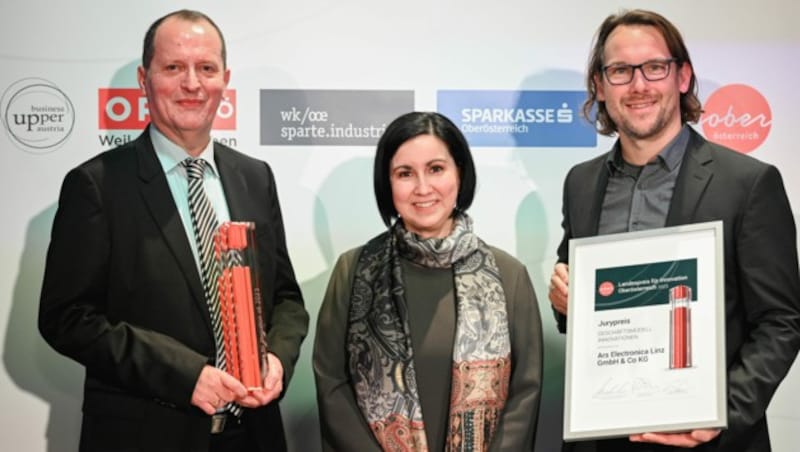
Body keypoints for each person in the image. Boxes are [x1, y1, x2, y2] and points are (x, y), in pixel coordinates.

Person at [38, 10, 309, 452]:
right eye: (173, 68)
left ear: (225, 79)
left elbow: (285, 298)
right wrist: (185, 375)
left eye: (206, 68)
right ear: (145, 79)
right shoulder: (97, 185)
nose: (192, 84)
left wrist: (276, 357)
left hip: (254, 435)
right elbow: (66, 318)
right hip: (146, 434)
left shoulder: (255, 177)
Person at [548, 9, 800, 452]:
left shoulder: (747, 182)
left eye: (655, 68)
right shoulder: (581, 183)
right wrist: (566, 300)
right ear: (600, 86)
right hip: (602, 436)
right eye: (621, 71)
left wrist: (721, 415)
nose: (639, 85)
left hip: (708, 441)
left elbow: (781, 322)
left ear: (682, 77)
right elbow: (586, 304)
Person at [313, 111, 542, 451]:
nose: (423, 188)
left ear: (459, 173)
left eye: (436, 169)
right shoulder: (354, 270)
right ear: (387, 183)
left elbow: (526, 391)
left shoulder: (509, 275)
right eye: (405, 173)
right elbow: (332, 383)